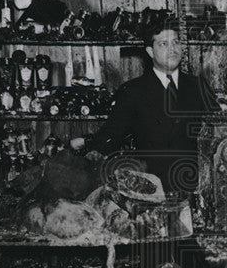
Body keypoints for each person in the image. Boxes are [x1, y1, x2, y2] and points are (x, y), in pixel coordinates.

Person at [75, 19, 219, 193]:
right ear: (150, 51)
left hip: (196, 187)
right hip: (151, 188)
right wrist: (90, 146)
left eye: (176, 42)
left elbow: (219, 131)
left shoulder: (198, 87)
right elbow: (112, 133)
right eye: (164, 44)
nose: (172, 49)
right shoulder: (133, 91)